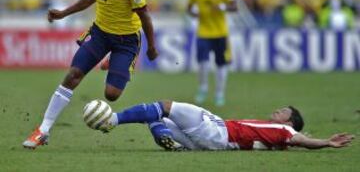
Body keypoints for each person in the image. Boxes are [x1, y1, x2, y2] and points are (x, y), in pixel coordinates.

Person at [23, 0, 158, 149]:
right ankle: (43, 130)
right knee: (73, 75)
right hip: (100, 34)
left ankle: (113, 60)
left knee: (111, 95)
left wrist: (151, 46)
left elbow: (145, 16)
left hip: (127, 40)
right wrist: (63, 13)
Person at [99, 100, 354, 151]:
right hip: (213, 144)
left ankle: (112, 121)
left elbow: (299, 140)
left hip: (218, 130)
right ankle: (172, 142)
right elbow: (296, 143)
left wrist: (325, 143)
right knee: (154, 118)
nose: (276, 110)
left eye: (282, 112)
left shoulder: (285, 132)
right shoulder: (277, 137)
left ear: (288, 122)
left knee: (162, 106)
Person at [187, 0, 238, 106]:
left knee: (221, 63)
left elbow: (234, 6)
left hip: (220, 32)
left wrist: (222, 6)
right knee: (202, 63)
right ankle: (203, 88)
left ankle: (219, 93)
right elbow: (189, 8)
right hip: (203, 32)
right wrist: (193, 13)